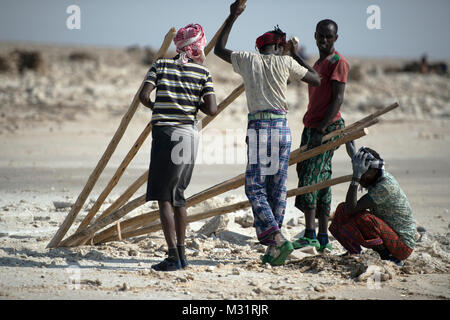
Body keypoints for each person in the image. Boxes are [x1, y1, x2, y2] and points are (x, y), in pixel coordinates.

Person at [214, 0, 321, 266]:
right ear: (279, 47)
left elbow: (218, 49)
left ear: (261, 47)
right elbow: (316, 79)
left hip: (260, 128)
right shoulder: (286, 63)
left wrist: (232, 16)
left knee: (254, 186)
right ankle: (275, 249)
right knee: (277, 187)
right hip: (282, 129)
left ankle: (275, 238)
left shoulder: (250, 59)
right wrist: (294, 54)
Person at [139, 23, 217, 271]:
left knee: (163, 197)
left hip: (166, 134)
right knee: (179, 196)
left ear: (179, 46)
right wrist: (190, 104)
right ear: (198, 46)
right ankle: (182, 256)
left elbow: (144, 96)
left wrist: (159, 107)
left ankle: (173, 256)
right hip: (189, 135)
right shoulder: (203, 73)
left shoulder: (161, 65)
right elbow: (212, 109)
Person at [293, 19, 349, 252]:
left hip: (327, 127)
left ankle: (309, 235)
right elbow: (308, 72)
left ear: (336, 38)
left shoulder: (339, 62)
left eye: (329, 36)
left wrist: (320, 129)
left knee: (310, 176)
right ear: (315, 36)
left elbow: (337, 99)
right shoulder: (320, 62)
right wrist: (293, 55)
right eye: (320, 36)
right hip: (312, 126)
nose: (324, 40)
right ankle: (323, 235)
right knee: (322, 177)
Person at [329, 145, 416, 265]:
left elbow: (351, 209)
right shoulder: (375, 176)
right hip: (390, 234)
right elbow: (347, 208)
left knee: (364, 219)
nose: (361, 177)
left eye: (363, 173)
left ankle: (389, 257)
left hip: (402, 247)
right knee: (341, 209)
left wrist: (356, 177)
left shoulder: (384, 186)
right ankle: (354, 251)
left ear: (373, 170)